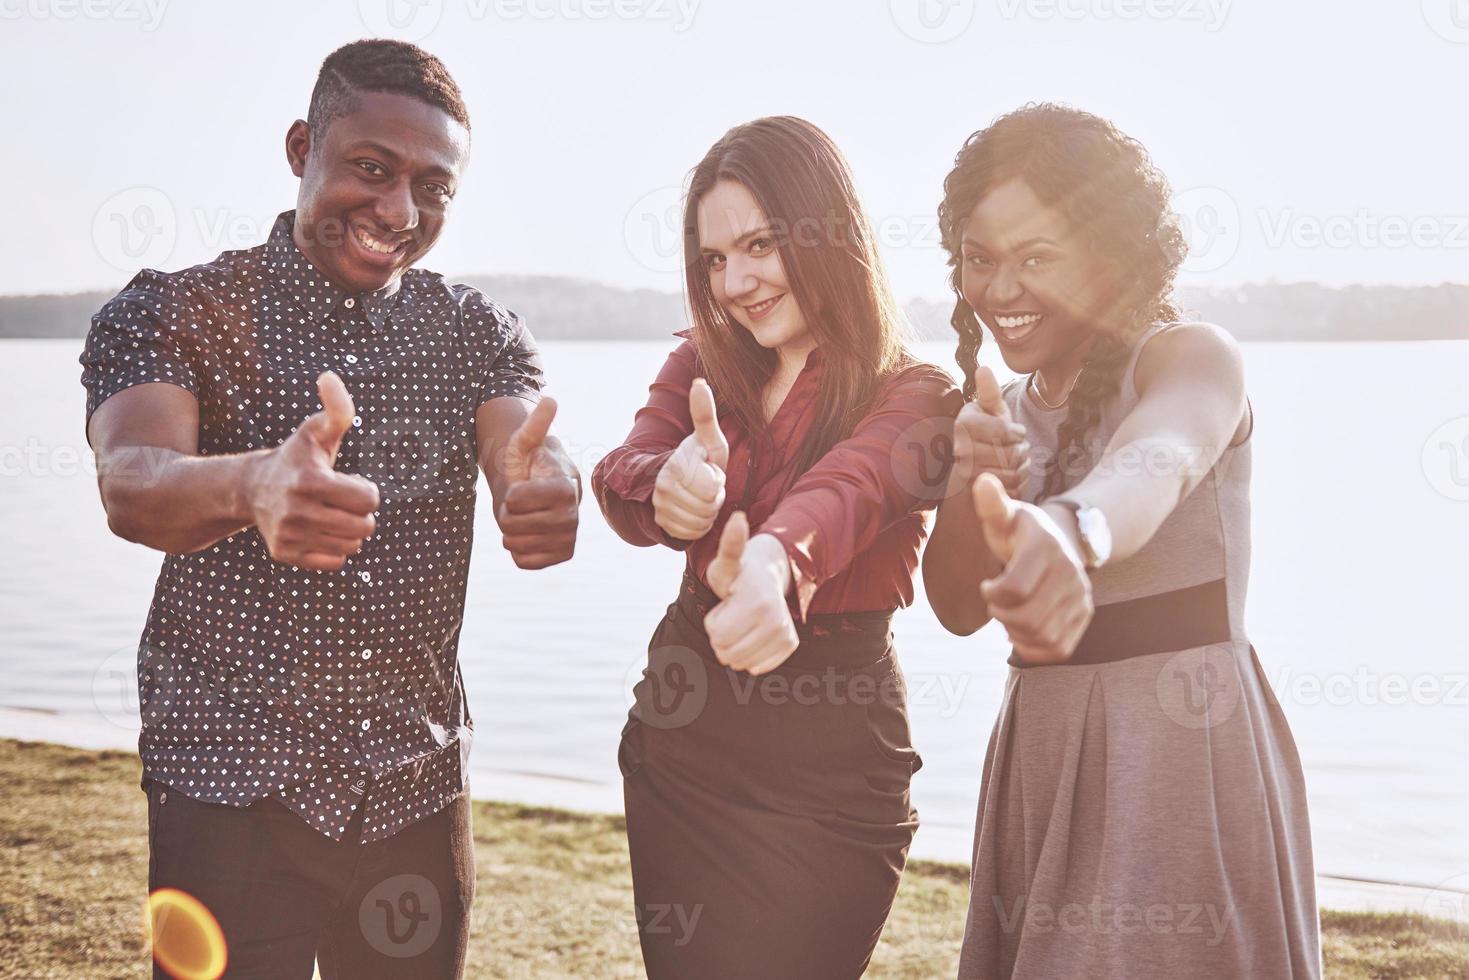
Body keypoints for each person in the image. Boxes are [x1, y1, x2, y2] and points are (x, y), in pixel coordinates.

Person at [79, 39, 580, 979]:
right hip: (225, 792)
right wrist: (252, 484)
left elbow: (526, 447)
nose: (398, 210)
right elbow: (132, 480)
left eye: (433, 187)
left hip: (412, 797)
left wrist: (548, 486)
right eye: (370, 168)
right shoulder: (174, 310)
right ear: (302, 145)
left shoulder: (476, 331)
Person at [922, 103, 1321, 978]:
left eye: (1035, 258)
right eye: (979, 260)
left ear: (1107, 254)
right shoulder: (1001, 413)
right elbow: (953, 608)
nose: (998, 290)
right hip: (1043, 751)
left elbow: (1161, 457)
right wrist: (967, 484)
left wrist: (1068, 530)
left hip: (1175, 751)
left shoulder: (1188, 357)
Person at [591, 116, 961, 978]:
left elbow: (848, 492)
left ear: (828, 232)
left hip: (831, 755)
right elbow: (623, 468)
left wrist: (769, 563)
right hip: (684, 728)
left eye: (759, 244)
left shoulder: (918, 395)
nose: (737, 282)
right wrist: (667, 486)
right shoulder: (702, 364)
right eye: (714, 260)